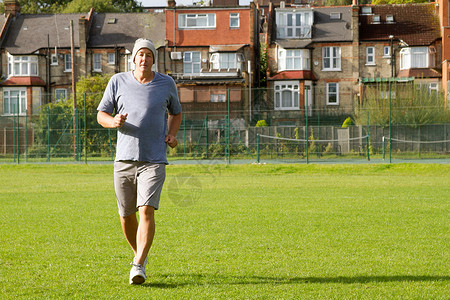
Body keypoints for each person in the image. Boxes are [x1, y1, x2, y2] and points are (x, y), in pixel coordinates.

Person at [97, 38, 182, 285]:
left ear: (154, 59)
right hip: (124, 158)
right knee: (126, 215)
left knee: (146, 209)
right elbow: (102, 113)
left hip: (154, 159)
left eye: (148, 55)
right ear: (133, 59)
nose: (144, 59)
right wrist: (112, 122)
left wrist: (172, 134)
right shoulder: (117, 81)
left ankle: (138, 264)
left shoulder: (166, 83)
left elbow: (176, 112)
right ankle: (140, 258)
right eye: (140, 55)